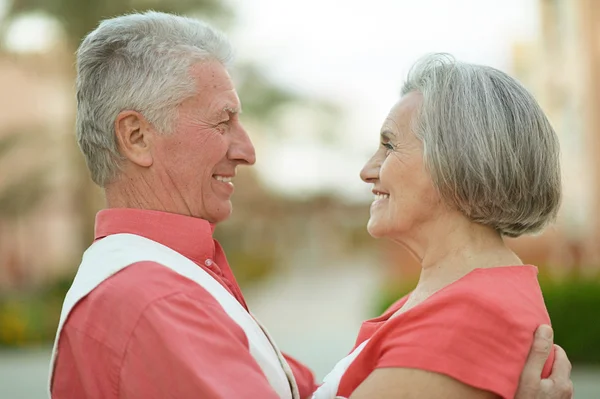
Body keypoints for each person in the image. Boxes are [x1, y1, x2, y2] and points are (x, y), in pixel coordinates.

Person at [48, 12, 573, 399]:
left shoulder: (465, 307)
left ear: (461, 163)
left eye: (389, 145)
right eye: (221, 121)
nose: (247, 150)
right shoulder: (152, 300)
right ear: (136, 137)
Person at [312, 54, 574, 399]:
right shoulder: (449, 297)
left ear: (458, 161)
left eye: (389, 146)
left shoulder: (470, 317)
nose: (367, 170)